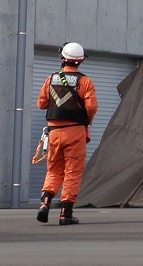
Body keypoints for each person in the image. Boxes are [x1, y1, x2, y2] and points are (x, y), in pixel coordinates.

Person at [36, 42, 99, 225]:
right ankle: (65, 214)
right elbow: (91, 107)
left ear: (62, 58)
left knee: (54, 170)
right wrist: (87, 119)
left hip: (54, 131)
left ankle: (45, 203)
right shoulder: (85, 82)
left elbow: (41, 104)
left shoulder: (51, 79)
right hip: (75, 132)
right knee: (72, 172)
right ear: (80, 61)